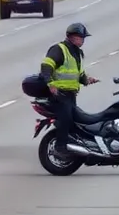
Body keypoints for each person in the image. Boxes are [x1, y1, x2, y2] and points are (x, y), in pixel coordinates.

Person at [39, 22, 100, 154]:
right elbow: (46, 66)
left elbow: (77, 73)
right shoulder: (59, 49)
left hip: (71, 95)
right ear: (72, 36)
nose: (83, 40)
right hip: (59, 94)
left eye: (83, 37)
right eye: (81, 37)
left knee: (78, 121)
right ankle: (60, 147)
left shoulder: (77, 53)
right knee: (66, 118)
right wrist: (50, 83)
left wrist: (87, 80)